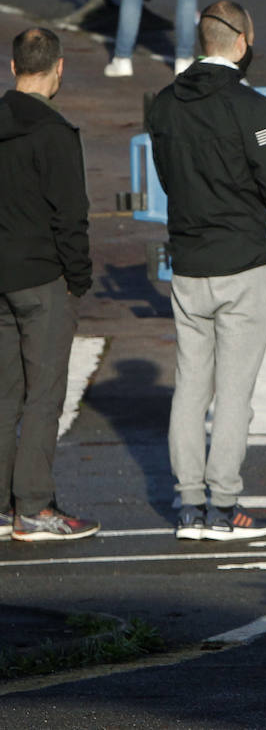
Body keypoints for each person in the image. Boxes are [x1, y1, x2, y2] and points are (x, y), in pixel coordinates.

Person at [145, 0, 266, 540]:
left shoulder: (163, 105)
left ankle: (188, 506)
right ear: (243, 41)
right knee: (232, 395)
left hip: (188, 262)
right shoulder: (253, 107)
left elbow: (166, 178)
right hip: (241, 262)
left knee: (190, 387)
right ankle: (224, 507)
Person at [0, 28, 98, 542]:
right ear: (58, 69)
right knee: (43, 396)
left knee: (3, 394)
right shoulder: (56, 135)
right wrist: (77, 279)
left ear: (14, 68)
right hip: (42, 280)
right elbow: (71, 218)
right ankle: (34, 508)